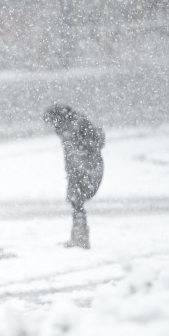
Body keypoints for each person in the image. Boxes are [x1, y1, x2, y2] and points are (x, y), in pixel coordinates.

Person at [44, 104, 105, 249]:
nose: (53, 126)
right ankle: (79, 236)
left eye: (53, 122)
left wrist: (81, 167)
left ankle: (80, 238)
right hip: (80, 169)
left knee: (76, 201)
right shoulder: (70, 127)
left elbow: (91, 146)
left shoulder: (75, 127)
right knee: (75, 201)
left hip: (86, 170)